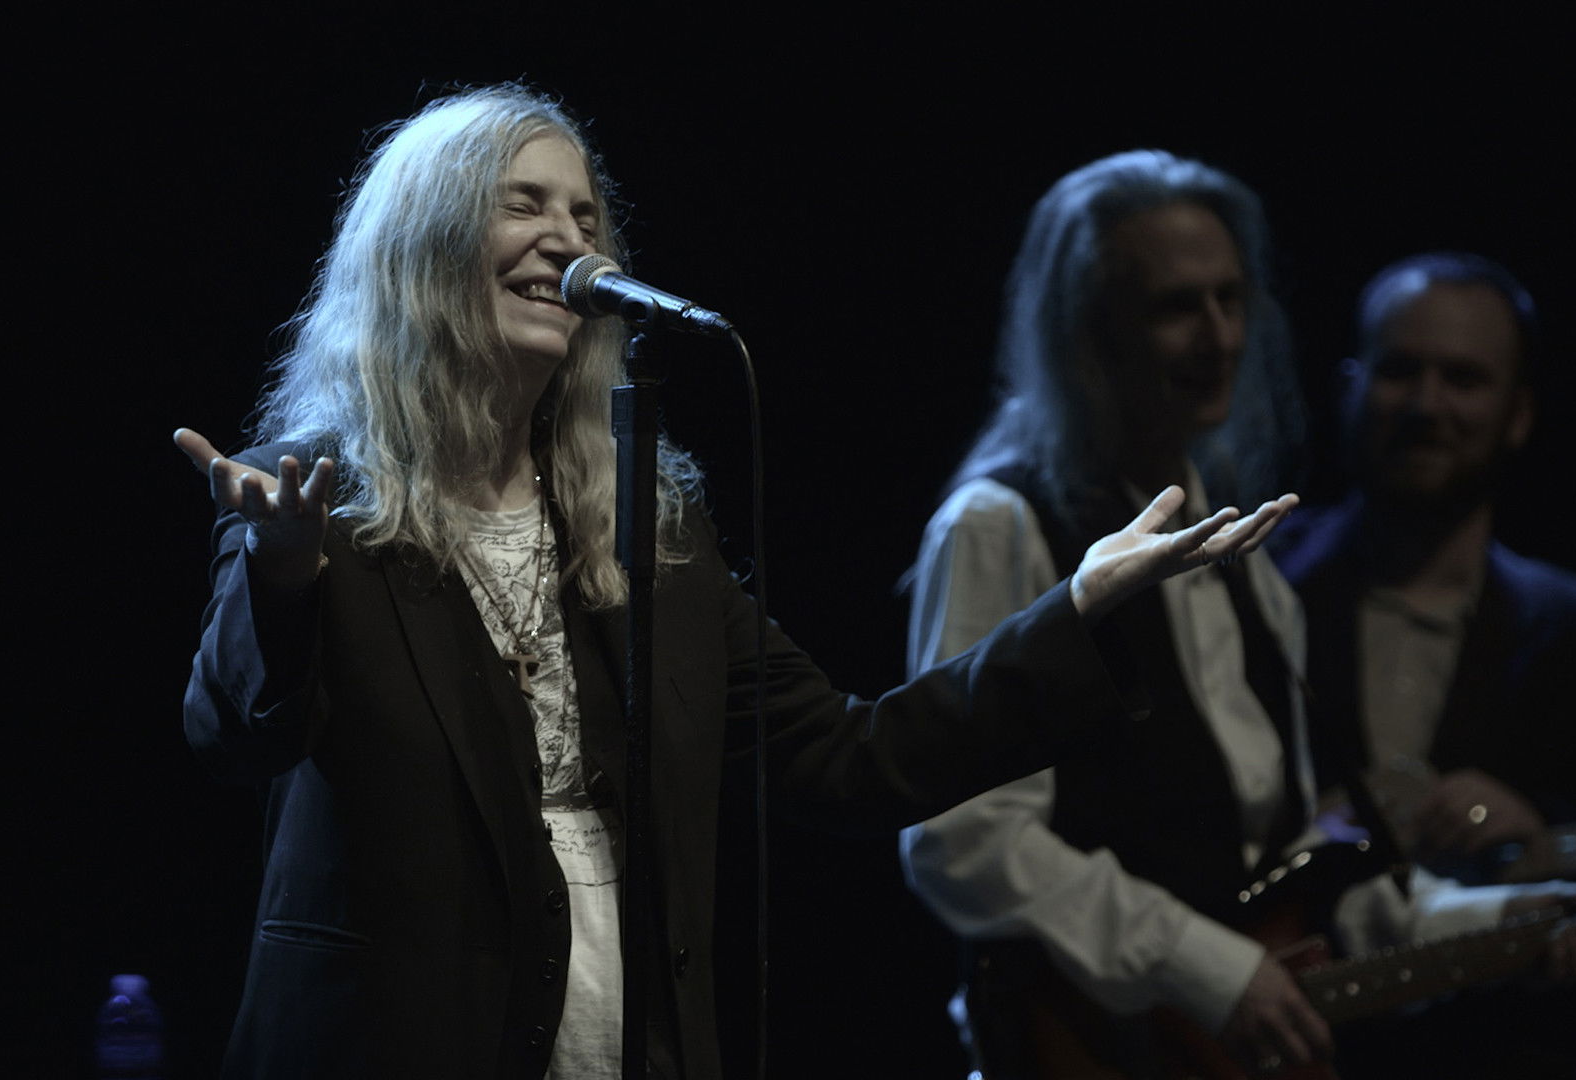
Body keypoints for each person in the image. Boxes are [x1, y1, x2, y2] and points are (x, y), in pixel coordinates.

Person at [173, 88, 1294, 1080]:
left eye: (585, 215)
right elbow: (233, 741)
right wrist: (283, 578)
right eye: (524, 206)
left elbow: (852, 758)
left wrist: (1078, 611)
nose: (566, 241)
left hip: (629, 1036)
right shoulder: (310, 497)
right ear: (423, 244)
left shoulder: (642, 526)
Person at [898, 154, 1576, 1078]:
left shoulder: (1244, 560)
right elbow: (961, 839)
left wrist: (1494, 920)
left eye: (1231, 299)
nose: (1219, 335)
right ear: (1091, 330)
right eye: (1175, 307)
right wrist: (1209, 970)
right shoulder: (1003, 525)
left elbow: (1305, 873)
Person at [1272, 253, 1576, 878]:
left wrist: (1542, 838)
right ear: (1350, 388)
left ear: (1520, 413)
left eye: (1464, 379)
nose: (1427, 405)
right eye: (1400, 370)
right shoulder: (1246, 581)